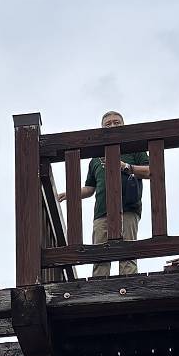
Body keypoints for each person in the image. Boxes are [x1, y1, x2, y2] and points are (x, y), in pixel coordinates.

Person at [58, 111, 151, 277]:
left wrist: (125, 166)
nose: (112, 126)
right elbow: (90, 188)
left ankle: (128, 282)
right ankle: (99, 284)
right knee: (100, 255)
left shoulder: (134, 148)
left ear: (124, 126)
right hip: (101, 211)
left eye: (117, 123)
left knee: (128, 252)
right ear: (102, 129)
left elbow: (151, 171)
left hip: (128, 208)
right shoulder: (95, 158)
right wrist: (70, 193)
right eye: (108, 124)